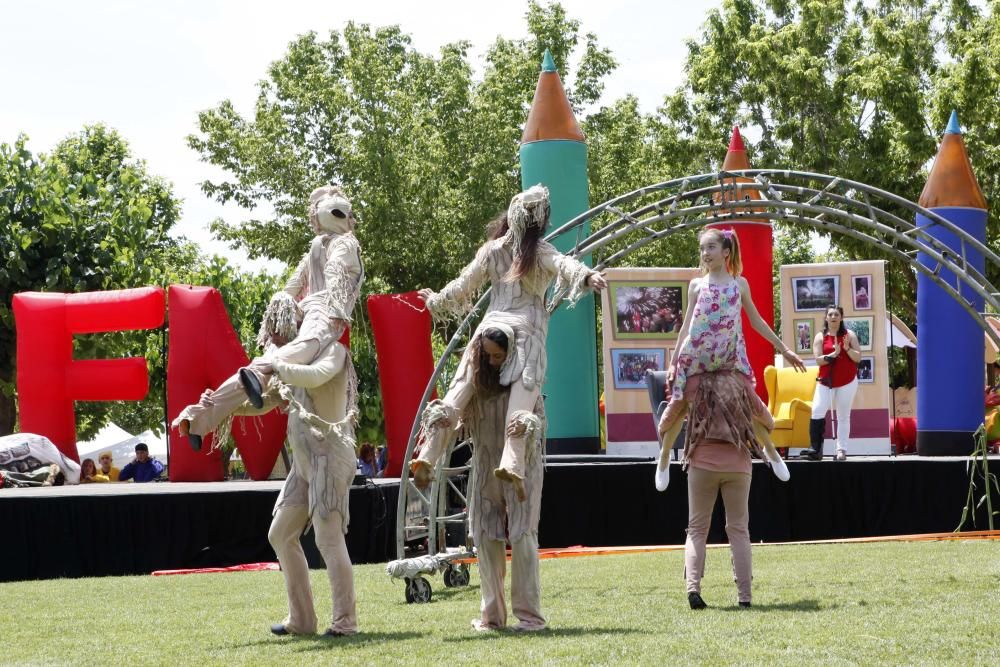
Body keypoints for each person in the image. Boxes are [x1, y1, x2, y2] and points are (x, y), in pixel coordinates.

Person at [410, 187, 605, 631]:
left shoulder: (495, 251)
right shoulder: (539, 253)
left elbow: (462, 287)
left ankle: (432, 445)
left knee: (460, 390)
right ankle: (524, 614)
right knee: (518, 526)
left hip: (488, 333)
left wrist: (436, 301)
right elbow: (565, 267)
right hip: (521, 351)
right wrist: (588, 278)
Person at [655, 228, 806, 609]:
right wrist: (675, 361)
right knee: (677, 402)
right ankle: (662, 459)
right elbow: (686, 327)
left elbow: (754, 322)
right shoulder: (695, 286)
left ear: (726, 251)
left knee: (747, 400)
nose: (704, 252)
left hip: (727, 357)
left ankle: (771, 453)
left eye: (710, 247)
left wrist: (784, 350)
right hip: (699, 358)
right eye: (701, 247)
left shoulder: (739, 285)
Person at [172, 185, 363, 449]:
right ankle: (260, 374)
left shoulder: (316, 248)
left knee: (267, 390)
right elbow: (333, 273)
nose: (352, 221)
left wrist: (284, 313)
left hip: (303, 312)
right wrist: (334, 307)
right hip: (323, 313)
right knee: (299, 351)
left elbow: (290, 288)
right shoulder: (344, 244)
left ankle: (197, 417)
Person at [224, 292, 360, 637]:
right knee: (281, 534)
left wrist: (275, 365)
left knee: (328, 539)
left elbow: (314, 376)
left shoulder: (334, 351)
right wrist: (220, 406)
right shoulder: (289, 362)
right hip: (304, 462)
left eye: (281, 334)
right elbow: (264, 402)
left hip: (330, 457)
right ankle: (302, 620)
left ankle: (345, 622)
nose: (275, 341)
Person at [801, 305, 861, 461]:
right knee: (817, 410)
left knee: (843, 415)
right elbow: (818, 360)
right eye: (830, 314)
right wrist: (832, 355)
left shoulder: (850, 335)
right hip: (825, 381)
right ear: (826, 317)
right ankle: (816, 449)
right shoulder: (820, 336)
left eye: (836, 314)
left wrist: (847, 349)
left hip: (847, 381)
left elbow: (858, 358)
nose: (833, 317)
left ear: (841, 317)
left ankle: (841, 450)